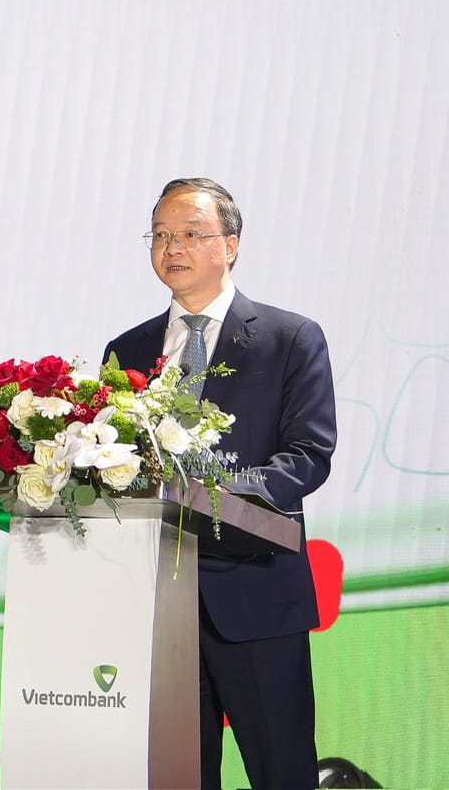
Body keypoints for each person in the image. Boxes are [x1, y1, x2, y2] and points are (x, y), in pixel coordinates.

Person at [101, 177, 336, 790]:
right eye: (160, 235)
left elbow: (309, 454)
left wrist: (219, 497)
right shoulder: (127, 350)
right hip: (157, 605)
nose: (171, 248)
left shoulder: (289, 338)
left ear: (231, 245)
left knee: (282, 773)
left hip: (256, 594)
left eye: (190, 234)